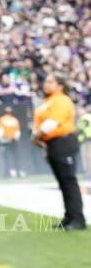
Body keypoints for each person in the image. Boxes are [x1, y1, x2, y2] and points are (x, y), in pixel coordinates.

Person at [32, 74, 86, 231]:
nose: (46, 84)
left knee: (69, 181)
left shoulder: (62, 100)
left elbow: (52, 123)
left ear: (60, 85)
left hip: (63, 141)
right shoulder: (47, 101)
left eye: (50, 82)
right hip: (51, 143)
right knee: (62, 182)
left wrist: (36, 136)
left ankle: (78, 219)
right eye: (45, 81)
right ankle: (69, 217)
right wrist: (39, 139)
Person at [0, 106, 23, 178]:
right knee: (16, 157)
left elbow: (0, 131)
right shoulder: (15, 120)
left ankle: (7, 173)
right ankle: (18, 172)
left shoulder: (2, 119)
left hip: (5, 140)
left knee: (6, 157)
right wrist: (15, 139)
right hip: (13, 141)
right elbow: (18, 132)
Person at [78, 105, 91, 177]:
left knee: (87, 156)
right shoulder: (88, 116)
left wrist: (80, 138)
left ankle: (88, 172)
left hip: (86, 139)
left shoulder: (84, 118)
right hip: (87, 139)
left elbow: (82, 129)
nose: (78, 111)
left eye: (80, 110)